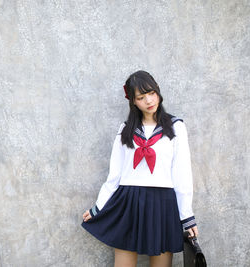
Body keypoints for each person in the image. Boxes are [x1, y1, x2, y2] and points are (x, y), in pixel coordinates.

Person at [81, 70, 199, 267]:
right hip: (128, 202)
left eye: (151, 93)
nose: (149, 100)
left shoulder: (176, 127)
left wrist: (187, 216)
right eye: (141, 97)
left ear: (158, 92)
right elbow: (115, 175)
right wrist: (98, 207)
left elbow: (182, 174)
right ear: (133, 101)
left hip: (162, 203)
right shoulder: (125, 130)